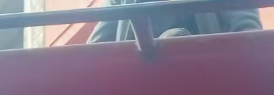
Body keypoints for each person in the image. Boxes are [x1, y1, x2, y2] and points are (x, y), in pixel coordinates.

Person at [89, 0, 261, 43]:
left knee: (175, 38)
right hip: (134, 74)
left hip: (203, 67)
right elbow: (95, 49)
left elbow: (247, 29)